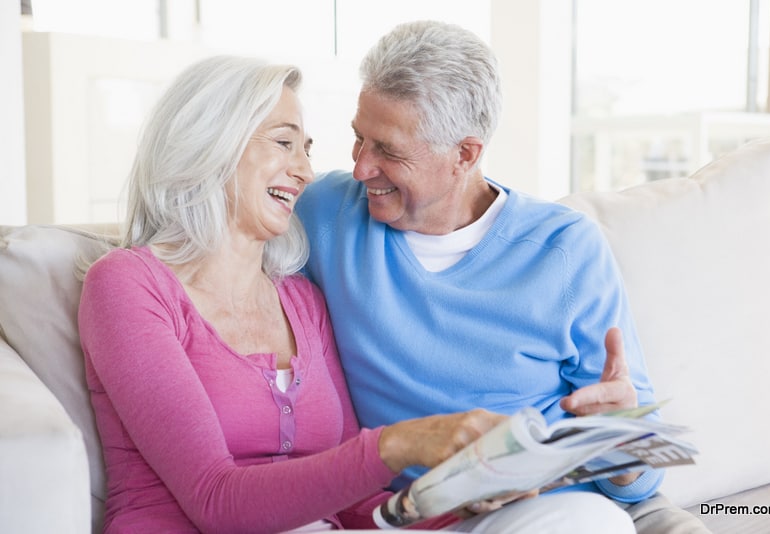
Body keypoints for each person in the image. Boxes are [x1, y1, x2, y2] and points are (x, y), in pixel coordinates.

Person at [78, 55, 564, 533]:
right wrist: (396, 445)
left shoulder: (301, 301)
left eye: (305, 149)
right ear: (209, 143)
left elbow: (356, 503)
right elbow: (215, 500)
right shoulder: (128, 285)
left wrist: (467, 502)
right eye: (285, 142)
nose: (306, 172)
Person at [295, 20, 710, 533]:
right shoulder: (324, 212)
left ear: (465, 154)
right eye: (359, 139)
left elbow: (638, 481)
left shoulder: (565, 250)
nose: (361, 167)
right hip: (401, 511)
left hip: (537, 508)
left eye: (389, 151)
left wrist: (618, 434)